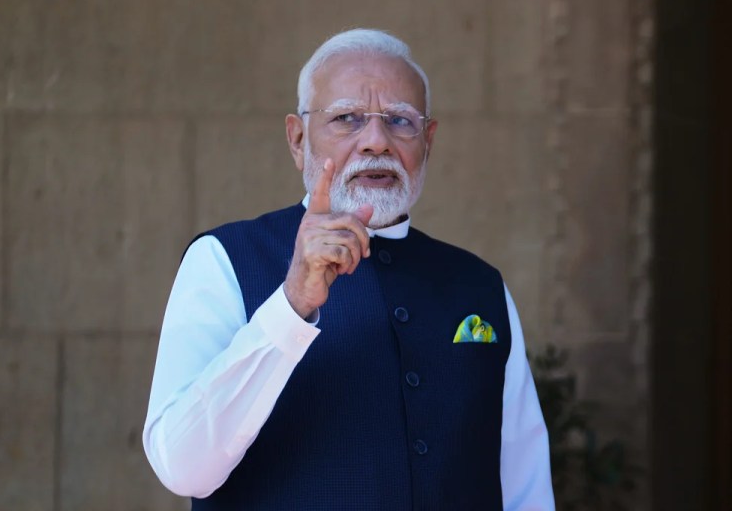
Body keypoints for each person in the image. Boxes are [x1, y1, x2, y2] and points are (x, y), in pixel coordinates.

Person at [143, 28, 554, 510]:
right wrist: (291, 306)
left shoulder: (478, 285)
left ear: (428, 141)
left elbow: (526, 487)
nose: (376, 142)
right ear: (298, 139)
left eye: (400, 121)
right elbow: (183, 468)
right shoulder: (225, 259)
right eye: (346, 119)